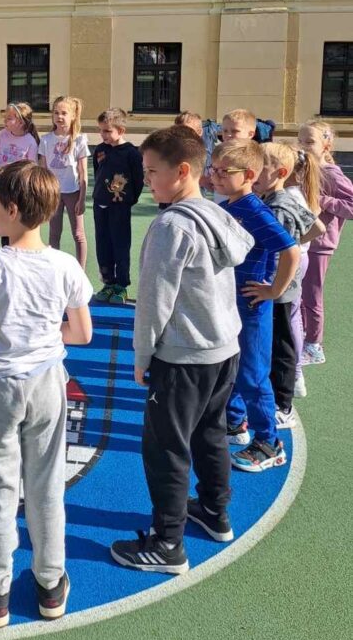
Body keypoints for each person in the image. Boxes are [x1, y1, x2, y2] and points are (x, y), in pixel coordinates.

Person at [0, 161, 93, 628]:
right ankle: (50, 583)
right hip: (48, 381)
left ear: (12, 210)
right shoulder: (65, 264)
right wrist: (44, 335)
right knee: (47, 482)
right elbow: (82, 333)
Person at [110, 127, 254, 574]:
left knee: (165, 449)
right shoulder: (215, 213)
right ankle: (214, 510)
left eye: (153, 171)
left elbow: (155, 301)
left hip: (184, 356)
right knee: (210, 432)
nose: (146, 180)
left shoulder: (171, 226)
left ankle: (167, 543)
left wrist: (142, 356)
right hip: (223, 348)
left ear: (183, 170)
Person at [208, 140, 299, 473]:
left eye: (224, 171)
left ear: (248, 175)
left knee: (253, 375)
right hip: (231, 303)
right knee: (232, 365)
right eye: (213, 169)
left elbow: (291, 250)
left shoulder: (256, 211)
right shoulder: (231, 204)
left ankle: (269, 443)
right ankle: (235, 423)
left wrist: (274, 290)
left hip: (252, 307)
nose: (215, 176)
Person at [253, 143, 324, 427]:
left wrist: (276, 283)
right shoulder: (280, 199)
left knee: (279, 345)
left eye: (260, 168)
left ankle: (283, 405)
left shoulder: (278, 206)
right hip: (281, 285)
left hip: (277, 288)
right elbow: (316, 228)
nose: (252, 173)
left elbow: (305, 238)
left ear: (281, 173)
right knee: (275, 341)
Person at [297, 120, 353, 366]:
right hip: (302, 239)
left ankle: (314, 346)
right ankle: (300, 336)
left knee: (312, 294)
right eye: (300, 140)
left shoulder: (332, 174)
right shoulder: (302, 168)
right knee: (298, 292)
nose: (303, 145)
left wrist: (324, 201)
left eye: (310, 141)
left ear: (326, 145)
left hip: (320, 244)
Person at [91, 108, 144, 304]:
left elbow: (138, 180)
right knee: (102, 245)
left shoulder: (131, 153)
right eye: (100, 130)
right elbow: (98, 173)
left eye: (107, 131)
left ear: (121, 131)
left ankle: (121, 286)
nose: (102, 134)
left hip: (120, 208)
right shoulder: (100, 150)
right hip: (100, 205)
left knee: (120, 245)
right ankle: (108, 282)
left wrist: (129, 199)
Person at [285, 149, 322, 399]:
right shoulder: (299, 192)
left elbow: (317, 228)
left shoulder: (291, 196)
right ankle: (295, 374)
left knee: (291, 316)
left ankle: (296, 374)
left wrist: (294, 244)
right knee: (293, 315)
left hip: (294, 260)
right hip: (298, 258)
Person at [38, 95, 88, 268]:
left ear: (73, 116)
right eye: (56, 112)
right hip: (54, 194)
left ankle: (80, 272)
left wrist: (82, 199)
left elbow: (83, 172)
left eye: (64, 113)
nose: (59, 116)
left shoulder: (79, 140)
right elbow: (43, 170)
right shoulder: (46, 140)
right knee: (54, 234)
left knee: (78, 234)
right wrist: (44, 195)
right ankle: (54, 270)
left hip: (73, 192)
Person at [0, 102, 39, 167]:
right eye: (5, 117)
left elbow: (32, 167)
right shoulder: (2, 134)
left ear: (21, 123)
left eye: (9, 118)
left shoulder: (31, 142)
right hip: (2, 173)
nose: (4, 120)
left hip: (19, 174)